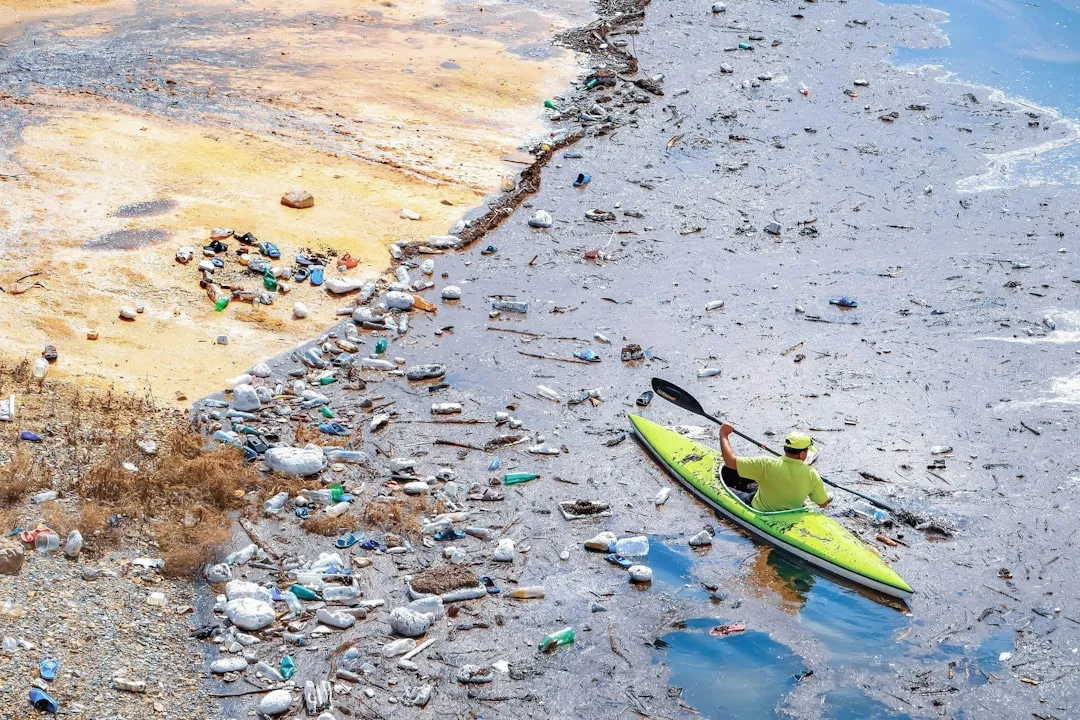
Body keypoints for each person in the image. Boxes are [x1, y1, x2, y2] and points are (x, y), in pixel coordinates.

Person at [719, 422, 829, 512]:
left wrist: (723, 434)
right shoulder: (812, 474)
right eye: (807, 451)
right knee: (757, 486)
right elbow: (823, 503)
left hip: (759, 509)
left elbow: (729, 462)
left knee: (728, 490)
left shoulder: (766, 463)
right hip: (790, 512)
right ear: (802, 454)